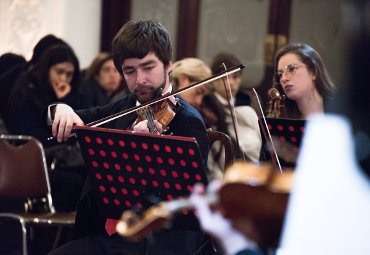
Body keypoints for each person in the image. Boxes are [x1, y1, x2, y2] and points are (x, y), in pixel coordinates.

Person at [48, 20, 210, 255]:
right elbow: (77, 118)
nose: (140, 80)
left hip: (160, 241)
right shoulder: (123, 106)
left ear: (168, 65)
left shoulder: (188, 120)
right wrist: (60, 108)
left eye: (148, 67)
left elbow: (186, 201)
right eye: (130, 71)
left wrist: (147, 153)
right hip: (110, 236)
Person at [5, 44, 85, 212]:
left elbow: (77, 127)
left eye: (69, 74)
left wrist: (67, 100)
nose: (64, 79)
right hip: (28, 161)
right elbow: (29, 134)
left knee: (90, 178)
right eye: (59, 72)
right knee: (73, 182)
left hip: (58, 158)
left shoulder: (72, 93)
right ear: (47, 70)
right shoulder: (27, 92)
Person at [202, 53, 262, 177]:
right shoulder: (207, 105)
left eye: (236, 77)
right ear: (214, 80)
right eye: (226, 78)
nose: (232, 83)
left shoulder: (248, 103)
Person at [266, 43, 336, 119]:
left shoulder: (341, 109)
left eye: (291, 69)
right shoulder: (280, 116)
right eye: (280, 74)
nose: (283, 79)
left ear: (313, 72)